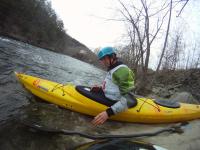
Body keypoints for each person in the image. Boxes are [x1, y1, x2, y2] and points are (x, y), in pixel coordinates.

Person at [91, 46, 135, 126]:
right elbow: (113, 86)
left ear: (112, 57)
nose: (102, 62)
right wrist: (101, 88)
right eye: (102, 59)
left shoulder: (122, 71)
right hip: (108, 97)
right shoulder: (112, 68)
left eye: (104, 58)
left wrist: (108, 113)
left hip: (116, 104)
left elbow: (128, 99)